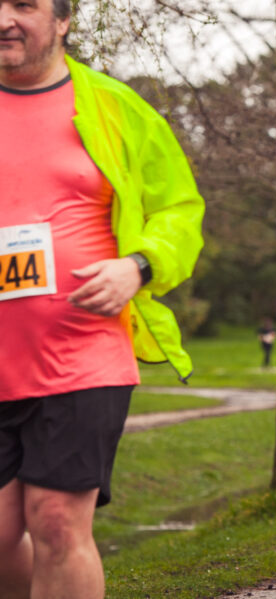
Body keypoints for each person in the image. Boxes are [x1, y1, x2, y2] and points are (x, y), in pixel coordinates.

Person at [0, 1, 205, 597]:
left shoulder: (117, 108)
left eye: (23, 4)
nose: (4, 19)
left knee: (57, 522)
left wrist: (138, 266)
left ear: (63, 20)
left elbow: (179, 210)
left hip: (82, 350)